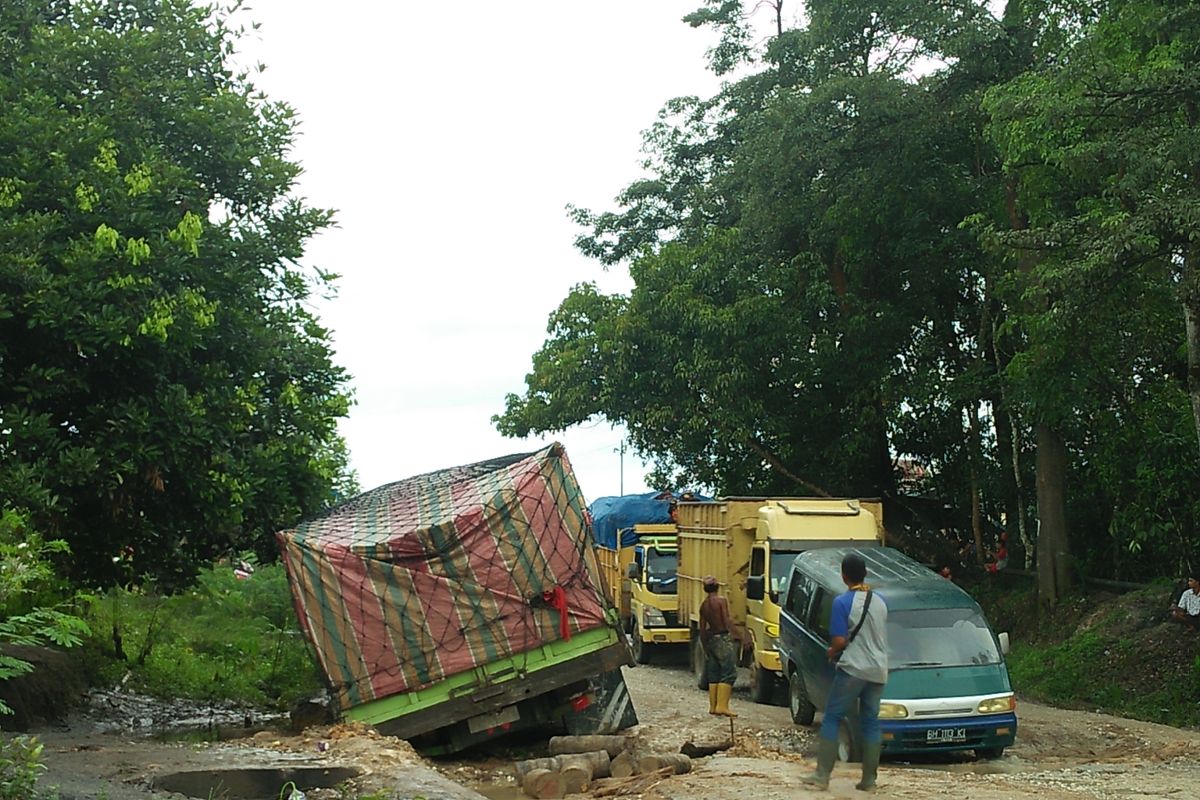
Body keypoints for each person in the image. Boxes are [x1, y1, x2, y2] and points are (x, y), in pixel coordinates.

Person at [802, 553, 888, 793]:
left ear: (843, 576)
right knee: (871, 721)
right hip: (879, 670)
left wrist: (831, 652)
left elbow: (840, 640)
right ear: (866, 573)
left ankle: (821, 776)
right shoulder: (880, 601)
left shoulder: (842, 602)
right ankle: (869, 781)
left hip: (853, 669)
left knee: (832, 716)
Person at [699, 575, 744, 717]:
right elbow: (726, 619)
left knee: (714, 672)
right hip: (722, 638)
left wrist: (705, 646)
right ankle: (722, 706)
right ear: (717, 587)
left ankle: (713, 706)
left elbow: (702, 628)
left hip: (710, 639)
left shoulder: (704, 605)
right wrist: (738, 634)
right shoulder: (721, 601)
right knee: (729, 672)